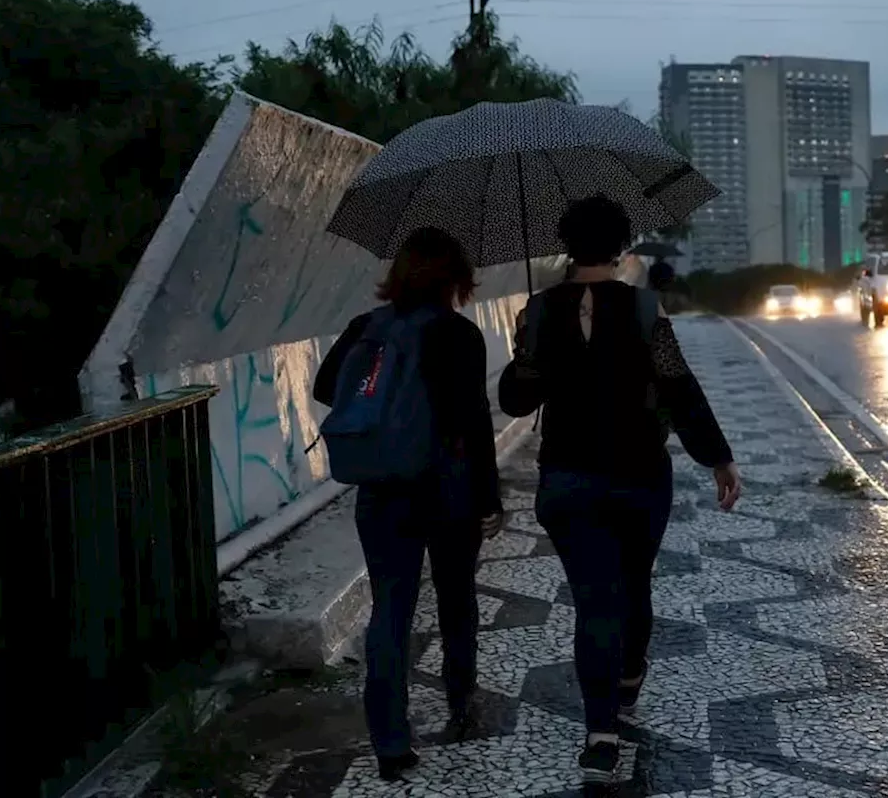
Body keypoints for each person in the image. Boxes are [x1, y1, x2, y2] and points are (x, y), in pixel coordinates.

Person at [498, 194, 741, 785]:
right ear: (620, 247)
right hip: (638, 476)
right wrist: (717, 458)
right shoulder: (644, 310)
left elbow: (515, 401)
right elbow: (678, 387)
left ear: (566, 244)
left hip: (568, 479)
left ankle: (601, 736)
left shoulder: (538, 311)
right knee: (632, 589)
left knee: (594, 601)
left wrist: (524, 351)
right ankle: (627, 680)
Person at [313, 226, 503, 783]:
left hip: (381, 491)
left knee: (390, 610)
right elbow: (474, 422)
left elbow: (328, 389)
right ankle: (460, 701)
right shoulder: (458, 334)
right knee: (456, 600)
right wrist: (489, 497)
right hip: (448, 490)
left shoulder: (366, 327)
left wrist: (384, 395)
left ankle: (390, 744)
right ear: (456, 279)